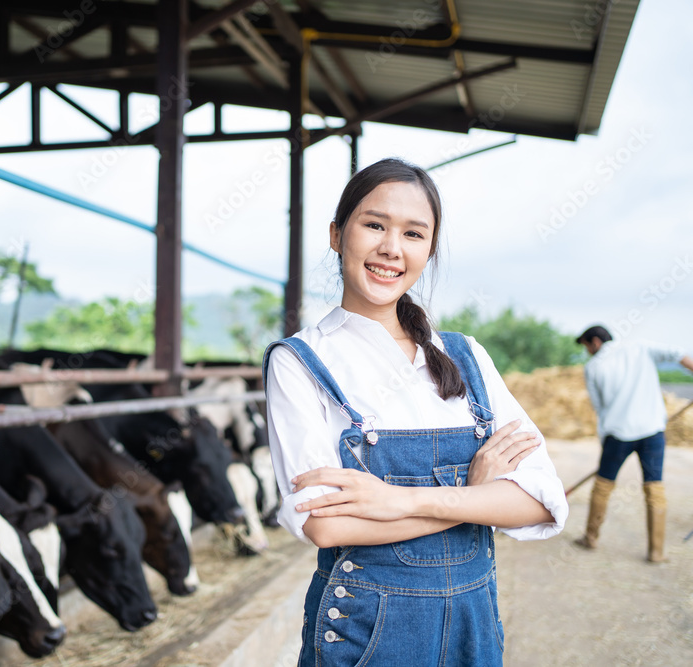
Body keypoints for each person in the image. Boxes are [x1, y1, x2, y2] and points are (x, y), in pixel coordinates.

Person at [264, 158, 568, 666]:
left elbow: (543, 500)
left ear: (429, 249)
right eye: (374, 225)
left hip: (473, 628)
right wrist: (476, 497)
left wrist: (393, 500)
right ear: (338, 235)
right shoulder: (298, 361)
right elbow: (325, 525)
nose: (391, 248)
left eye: (413, 234)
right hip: (366, 634)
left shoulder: (464, 355)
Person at [574, 325, 693, 562]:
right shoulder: (639, 347)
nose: (588, 352)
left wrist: (605, 439)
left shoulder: (593, 367)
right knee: (654, 488)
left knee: (603, 485)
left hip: (617, 435)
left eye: (587, 346)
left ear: (595, 342)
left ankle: (591, 537)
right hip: (652, 432)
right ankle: (656, 552)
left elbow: (600, 408)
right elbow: (678, 354)